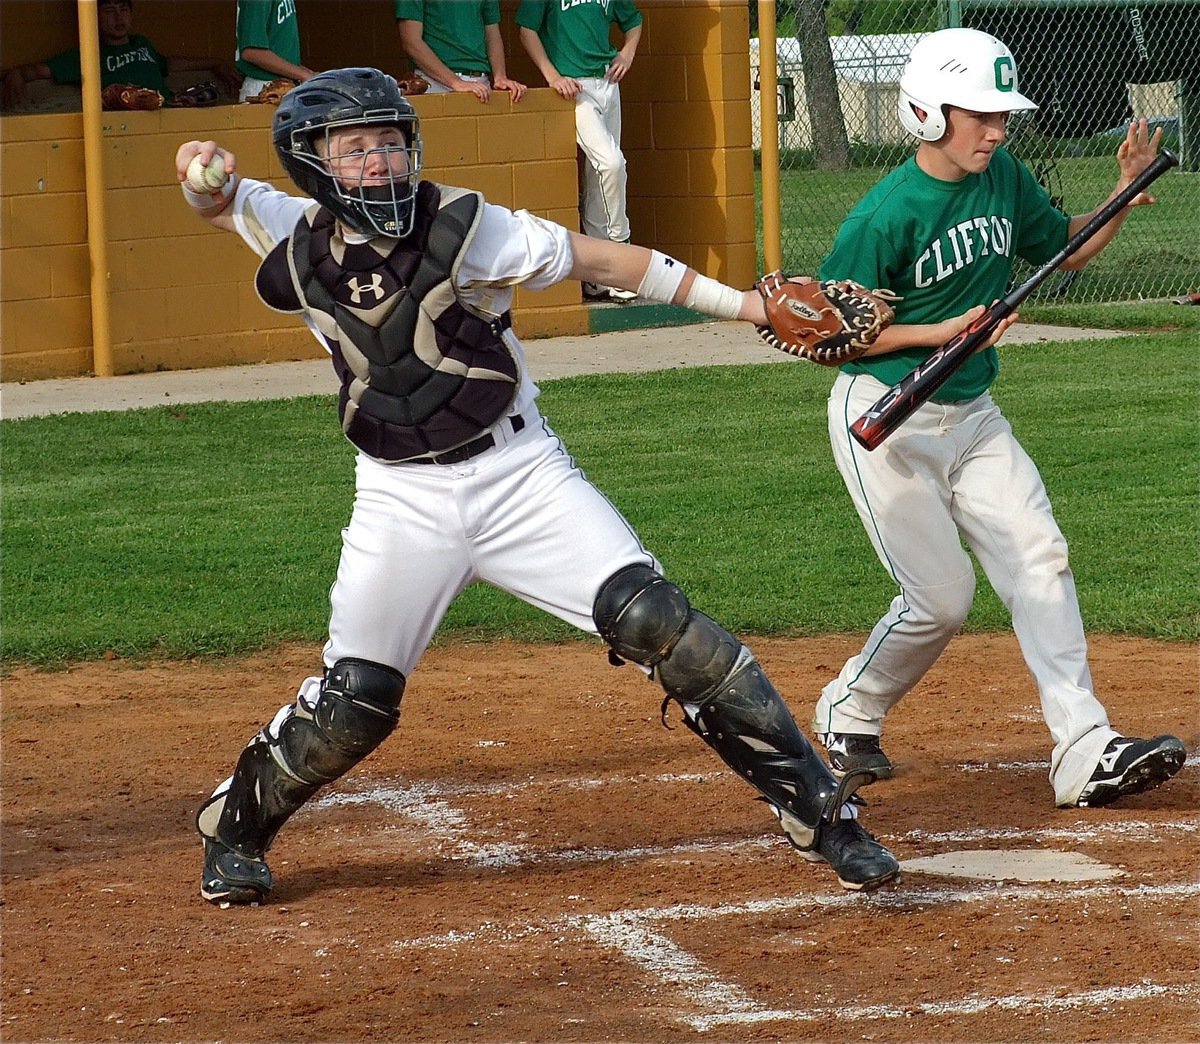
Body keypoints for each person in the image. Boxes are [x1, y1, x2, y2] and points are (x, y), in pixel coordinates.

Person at [177, 66, 901, 906]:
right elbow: (221, 203)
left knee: (665, 627)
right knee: (357, 703)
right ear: (315, 164)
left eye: (390, 142)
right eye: (354, 149)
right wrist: (207, 174)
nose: (379, 163)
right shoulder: (294, 234)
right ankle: (235, 825)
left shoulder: (468, 227)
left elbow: (607, 258)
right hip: (400, 497)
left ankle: (818, 810)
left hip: (519, 474)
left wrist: (746, 306)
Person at [810, 28, 1186, 809]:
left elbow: (1066, 249)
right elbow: (832, 331)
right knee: (940, 601)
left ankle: (1084, 749)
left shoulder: (1004, 176)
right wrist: (938, 331)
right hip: (887, 412)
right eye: (978, 114)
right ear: (927, 113)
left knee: (1039, 555)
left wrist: (1120, 194)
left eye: (1000, 115)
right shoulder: (885, 216)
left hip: (972, 410)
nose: (996, 130)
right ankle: (850, 709)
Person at [516, 0, 641, 303]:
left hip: (608, 82)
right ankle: (620, 250)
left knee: (600, 176)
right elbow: (526, 30)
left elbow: (633, 20)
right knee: (611, 165)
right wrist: (552, 76)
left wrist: (626, 53)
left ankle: (596, 276)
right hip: (575, 89)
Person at [2, 0, 240, 111]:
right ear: (94, 16)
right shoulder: (88, 53)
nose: (119, 18)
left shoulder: (142, 44)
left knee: (209, 95)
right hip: (129, 116)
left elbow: (170, 63)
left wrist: (216, 62)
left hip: (169, 109)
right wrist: (15, 75)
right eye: (109, 11)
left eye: (123, 9)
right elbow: (39, 70)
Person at [395, 0, 526, 103]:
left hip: (480, 84)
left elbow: (492, 34)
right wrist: (455, 82)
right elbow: (411, 42)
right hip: (434, 84)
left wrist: (500, 77)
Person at [235, 0, 314, 102]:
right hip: (263, 88)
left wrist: (307, 73)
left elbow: (280, 51)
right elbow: (251, 52)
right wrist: (304, 75)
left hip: (285, 85)